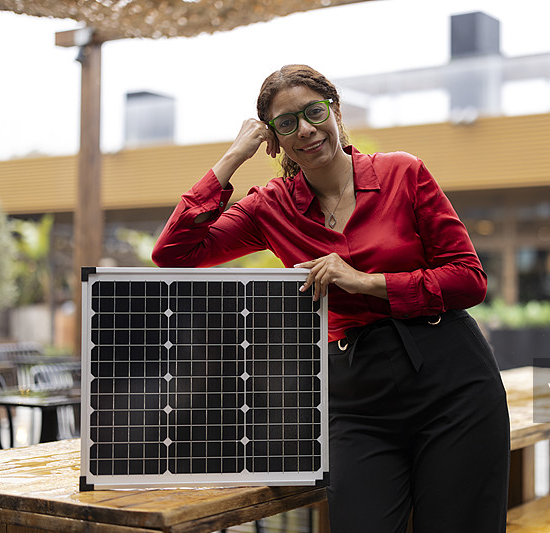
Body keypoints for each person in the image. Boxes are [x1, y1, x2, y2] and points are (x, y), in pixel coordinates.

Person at [152, 64, 510, 533]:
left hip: (450, 380)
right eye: (286, 123)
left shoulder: (403, 173)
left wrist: (366, 281)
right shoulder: (270, 207)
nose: (305, 129)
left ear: (336, 111)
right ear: (274, 140)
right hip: (356, 396)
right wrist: (233, 157)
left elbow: (469, 279)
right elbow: (174, 254)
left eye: (314, 112)